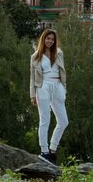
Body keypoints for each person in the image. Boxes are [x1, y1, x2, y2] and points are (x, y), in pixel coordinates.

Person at [30, 29, 68, 165]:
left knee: (64, 121)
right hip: (43, 87)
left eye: (52, 39)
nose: (50, 41)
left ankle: (52, 148)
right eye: (48, 38)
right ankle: (44, 151)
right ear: (43, 39)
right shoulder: (36, 56)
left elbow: (63, 72)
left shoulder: (58, 53)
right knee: (44, 120)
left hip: (57, 86)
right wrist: (33, 95)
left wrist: (64, 89)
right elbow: (32, 78)